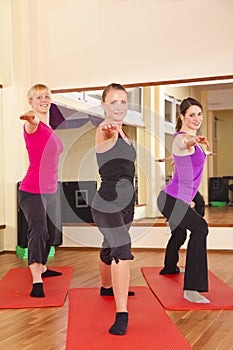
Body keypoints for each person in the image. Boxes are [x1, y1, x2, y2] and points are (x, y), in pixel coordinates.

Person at [91, 83, 136, 335]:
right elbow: (106, 133)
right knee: (121, 247)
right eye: (113, 102)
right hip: (107, 203)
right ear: (104, 105)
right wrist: (109, 129)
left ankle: (106, 287)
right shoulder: (104, 130)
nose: (119, 106)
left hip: (127, 203)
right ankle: (121, 313)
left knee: (109, 248)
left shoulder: (126, 133)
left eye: (123, 101)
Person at [157, 97, 210, 303]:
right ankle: (191, 290)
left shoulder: (196, 144)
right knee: (200, 227)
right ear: (182, 117)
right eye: (191, 115)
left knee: (179, 233)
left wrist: (199, 145)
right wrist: (193, 140)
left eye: (199, 114)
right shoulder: (181, 138)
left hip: (179, 198)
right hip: (170, 199)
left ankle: (170, 267)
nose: (196, 119)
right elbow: (183, 143)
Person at [18, 83, 64, 298]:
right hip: (32, 190)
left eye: (46, 96)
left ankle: (43, 267)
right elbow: (31, 120)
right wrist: (30, 116)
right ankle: (37, 281)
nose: (44, 100)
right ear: (31, 102)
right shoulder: (33, 125)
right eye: (39, 98)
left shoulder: (49, 128)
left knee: (52, 233)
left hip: (51, 190)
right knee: (38, 230)